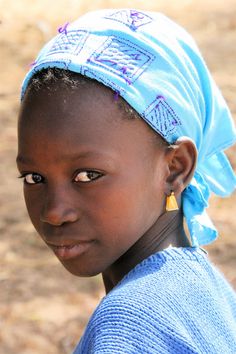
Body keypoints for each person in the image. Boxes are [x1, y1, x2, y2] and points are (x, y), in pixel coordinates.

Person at [17, 9, 236, 353]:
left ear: (175, 168)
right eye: (34, 177)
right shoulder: (209, 293)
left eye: (88, 175)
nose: (54, 213)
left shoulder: (130, 327)